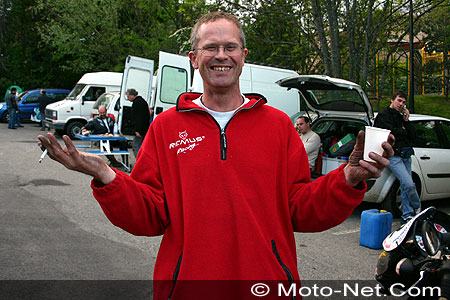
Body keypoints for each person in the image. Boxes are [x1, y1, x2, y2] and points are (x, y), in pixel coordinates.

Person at [38, 11, 393, 299]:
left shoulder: (278, 126)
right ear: (194, 58)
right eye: (210, 47)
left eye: (230, 47)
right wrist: (106, 176)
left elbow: (300, 208)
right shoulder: (165, 127)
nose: (220, 55)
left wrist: (347, 178)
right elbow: (150, 215)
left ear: (242, 57)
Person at [374, 91, 421, 224]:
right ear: (392, 100)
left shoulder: (401, 118)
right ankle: (417, 206)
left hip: (406, 154)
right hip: (393, 155)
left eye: (403, 102)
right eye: (399, 100)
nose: (401, 104)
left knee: (405, 186)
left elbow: (412, 135)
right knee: (408, 184)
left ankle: (407, 215)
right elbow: (389, 133)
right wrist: (401, 131)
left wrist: (406, 121)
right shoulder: (383, 116)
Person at [125, 88, 150, 156]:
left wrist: (137, 130)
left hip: (140, 130)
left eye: (128, 96)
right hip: (144, 128)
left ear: (132, 95)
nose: (128, 98)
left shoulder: (137, 103)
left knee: (136, 146)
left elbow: (139, 118)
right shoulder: (142, 101)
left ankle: (139, 161)